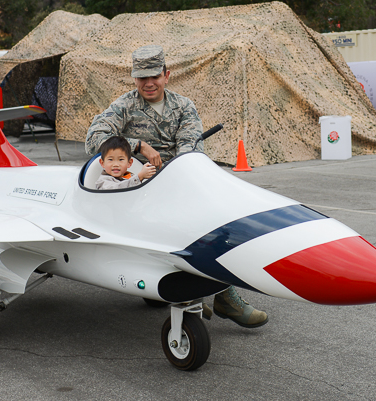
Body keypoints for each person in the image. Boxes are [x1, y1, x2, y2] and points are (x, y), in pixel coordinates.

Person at [85, 44, 268, 328]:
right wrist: (138, 145)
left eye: (154, 76)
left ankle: (223, 297)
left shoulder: (183, 107)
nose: (148, 83)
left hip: (176, 184)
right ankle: (207, 292)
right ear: (134, 78)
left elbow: (190, 151)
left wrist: (175, 176)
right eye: (141, 77)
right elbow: (93, 138)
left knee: (215, 223)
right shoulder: (124, 106)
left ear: (166, 75)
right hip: (136, 192)